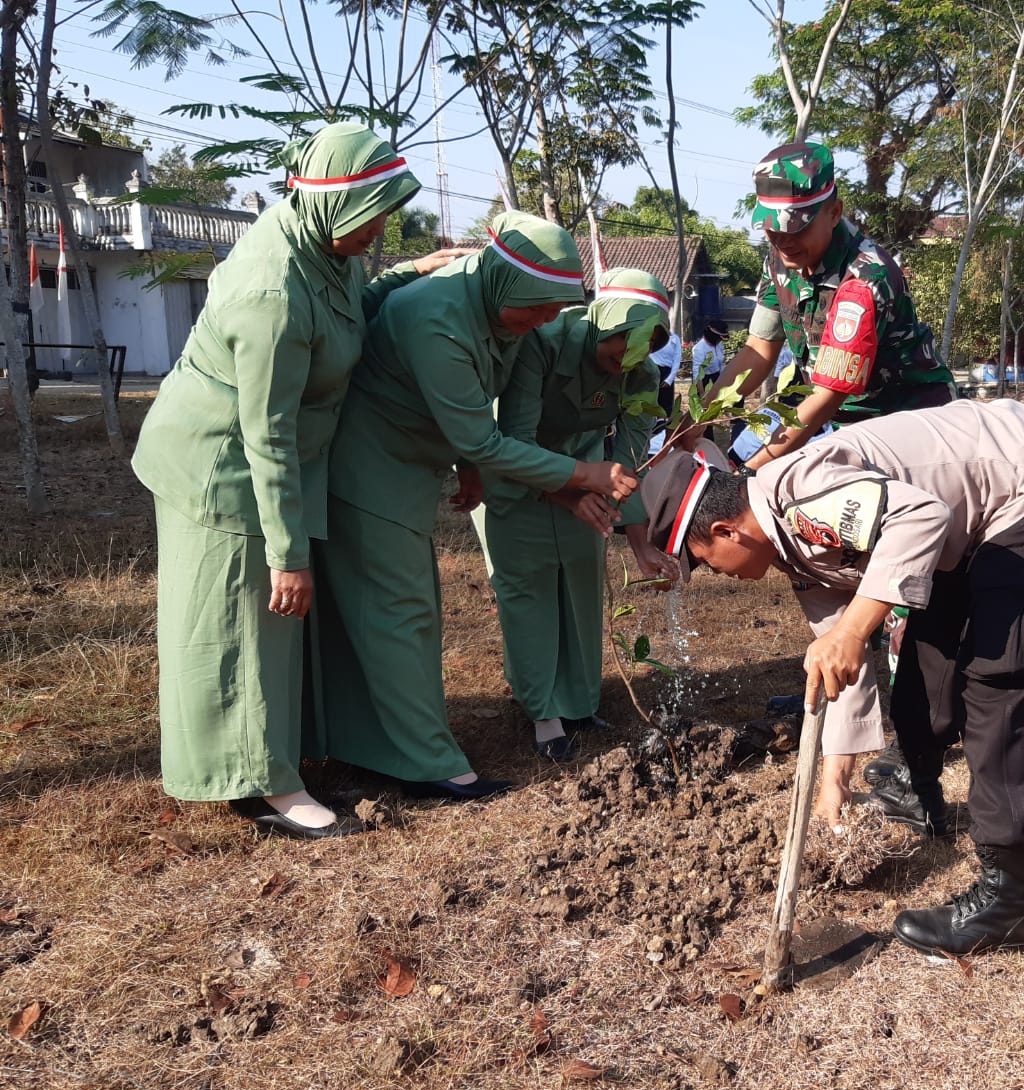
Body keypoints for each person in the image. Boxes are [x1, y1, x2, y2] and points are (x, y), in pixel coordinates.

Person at [642, 399, 1024, 958]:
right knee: (928, 662)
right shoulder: (792, 548)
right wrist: (835, 780)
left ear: (724, 531)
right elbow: (841, 658)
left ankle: (1008, 902)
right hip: (971, 510)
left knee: (1000, 681)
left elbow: (920, 520)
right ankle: (922, 795)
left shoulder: (803, 497)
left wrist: (854, 632)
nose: (718, 575)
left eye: (706, 561)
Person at [131, 123, 451, 840]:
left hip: (273, 459)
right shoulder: (269, 292)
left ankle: (279, 753)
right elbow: (263, 431)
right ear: (336, 204)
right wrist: (289, 552)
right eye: (371, 217)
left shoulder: (321, 240)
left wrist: (409, 271)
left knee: (271, 626)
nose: (378, 232)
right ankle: (264, 783)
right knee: (243, 620)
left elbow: (348, 312)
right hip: (221, 463)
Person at [314, 213, 631, 800]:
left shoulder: (494, 310)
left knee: (406, 609)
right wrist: (585, 472)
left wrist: (470, 471)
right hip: (370, 464)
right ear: (507, 284)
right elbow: (481, 436)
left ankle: (379, 746)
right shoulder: (438, 319)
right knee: (399, 612)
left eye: (553, 312)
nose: (543, 324)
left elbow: (486, 410)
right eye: (536, 309)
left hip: (409, 464)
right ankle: (422, 763)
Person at [479, 268, 681, 762]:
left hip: (590, 476)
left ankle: (578, 703)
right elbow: (517, 440)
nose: (628, 360)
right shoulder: (542, 346)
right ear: (602, 320)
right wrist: (570, 492)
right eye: (622, 343)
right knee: (530, 592)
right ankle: (543, 712)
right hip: (517, 472)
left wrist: (639, 544)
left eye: (645, 347)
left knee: (582, 588)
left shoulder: (643, 374)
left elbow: (630, 461)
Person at [682, 142, 954, 469]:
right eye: (773, 229)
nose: (783, 241)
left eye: (796, 227)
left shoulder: (865, 279)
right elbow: (759, 349)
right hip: (841, 423)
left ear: (834, 212)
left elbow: (826, 397)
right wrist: (700, 417)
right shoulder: (782, 260)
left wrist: (748, 474)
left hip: (909, 426)